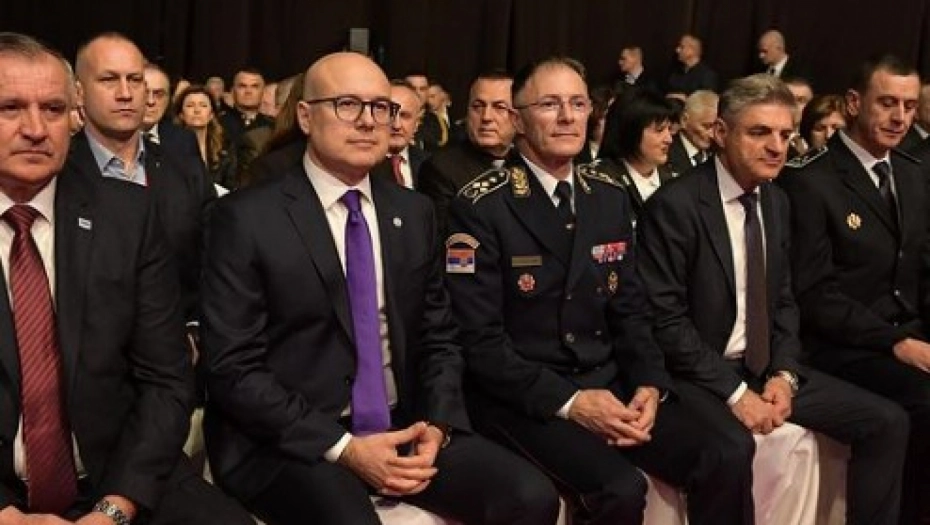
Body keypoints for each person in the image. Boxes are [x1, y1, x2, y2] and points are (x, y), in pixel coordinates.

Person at [200, 51, 560, 525]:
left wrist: (437, 423)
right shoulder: (246, 218)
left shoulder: (412, 212)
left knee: (530, 497)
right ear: (306, 116)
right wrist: (344, 447)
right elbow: (233, 368)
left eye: (381, 107)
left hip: (403, 422)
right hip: (290, 438)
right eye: (348, 104)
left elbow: (438, 335)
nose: (369, 121)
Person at [445, 56, 753, 525]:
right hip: (528, 395)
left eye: (578, 104)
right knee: (620, 489)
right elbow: (480, 343)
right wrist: (572, 404)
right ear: (517, 119)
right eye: (550, 104)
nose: (567, 117)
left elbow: (630, 309)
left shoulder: (607, 194)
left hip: (610, 379)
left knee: (727, 449)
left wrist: (649, 382)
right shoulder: (482, 205)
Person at [0, 31, 251, 525]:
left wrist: (115, 508)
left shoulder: (127, 216)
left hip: (118, 474)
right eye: (10, 108)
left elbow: (166, 380)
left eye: (52, 109)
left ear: (72, 115)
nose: (35, 129)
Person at [637, 73, 908, 525]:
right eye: (760, 132)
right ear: (720, 132)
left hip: (764, 365)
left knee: (888, 422)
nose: (777, 147)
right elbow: (666, 322)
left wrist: (785, 374)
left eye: (786, 134)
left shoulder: (777, 201)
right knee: (730, 449)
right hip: (699, 373)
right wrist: (737, 394)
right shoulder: (675, 205)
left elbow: (783, 301)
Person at [779, 55, 930, 525]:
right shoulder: (810, 179)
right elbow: (815, 293)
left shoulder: (913, 172)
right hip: (840, 345)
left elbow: (923, 270)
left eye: (909, 105)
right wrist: (896, 342)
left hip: (904, 333)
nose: (899, 117)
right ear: (852, 102)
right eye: (887, 103)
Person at [69, 32, 214, 339]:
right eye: (109, 80)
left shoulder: (184, 169)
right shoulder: (59, 171)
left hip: (179, 349)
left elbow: (213, 254)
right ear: (78, 93)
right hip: (87, 353)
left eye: (135, 80)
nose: (125, 93)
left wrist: (196, 326)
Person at [417, 71, 515, 235]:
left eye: (499, 107)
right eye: (478, 106)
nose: (486, 117)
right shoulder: (441, 169)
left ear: (518, 116)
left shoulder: (528, 164)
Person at [597, 88, 677, 220]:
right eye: (659, 130)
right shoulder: (600, 181)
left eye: (669, 129)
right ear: (631, 132)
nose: (669, 139)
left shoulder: (674, 180)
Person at [175, 85, 237, 190]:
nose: (197, 110)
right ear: (181, 115)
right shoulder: (170, 148)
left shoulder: (225, 149)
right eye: (190, 106)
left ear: (211, 114)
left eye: (203, 105)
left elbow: (231, 186)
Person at [369, 80, 428, 189]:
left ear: (417, 123)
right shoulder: (361, 164)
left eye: (405, 116)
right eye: (390, 114)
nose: (397, 125)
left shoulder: (429, 165)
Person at [666, 90, 718, 175]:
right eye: (706, 126)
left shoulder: (718, 155)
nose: (712, 135)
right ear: (684, 120)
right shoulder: (665, 153)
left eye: (716, 127)